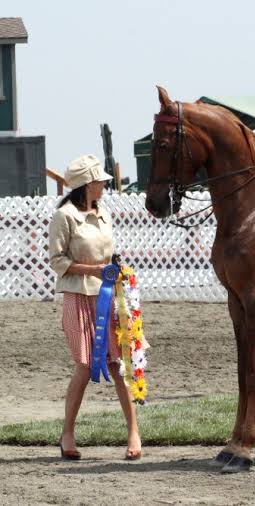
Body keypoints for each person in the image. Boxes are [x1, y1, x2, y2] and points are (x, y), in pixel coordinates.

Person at [48, 154, 142, 460]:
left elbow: (108, 256)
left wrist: (114, 269)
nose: (104, 184)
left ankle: (133, 433)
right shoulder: (64, 217)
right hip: (78, 298)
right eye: (99, 181)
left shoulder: (104, 214)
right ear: (86, 185)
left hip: (107, 295)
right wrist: (92, 270)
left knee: (117, 365)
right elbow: (57, 261)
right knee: (85, 367)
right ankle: (67, 434)